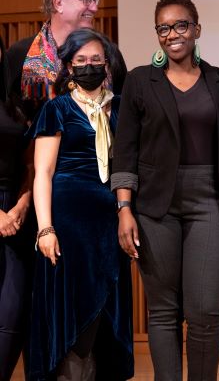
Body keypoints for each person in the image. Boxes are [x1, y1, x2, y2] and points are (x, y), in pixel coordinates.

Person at [111, 0, 219, 381]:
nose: (172, 34)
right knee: (163, 310)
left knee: (205, 310)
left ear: (197, 29)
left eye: (181, 25)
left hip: (210, 200)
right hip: (153, 206)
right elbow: (125, 150)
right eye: (163, 28)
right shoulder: (139, 80)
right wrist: (125, 209)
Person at [28, 28, 133, 380]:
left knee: (106, 317)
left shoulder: (121, 107)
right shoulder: (56, 109)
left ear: (108, 64)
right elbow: (43, 172)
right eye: (81, 61)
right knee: (75, 318)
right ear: (69, 66)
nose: (89, 66)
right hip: (69, 227)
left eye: (96, 60)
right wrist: (46, 228)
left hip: (111, 224)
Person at [6, 0, 126, 121]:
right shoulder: (19, 54)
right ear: (58, 3)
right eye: (87, 0)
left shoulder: (108, 51)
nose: (95, 8)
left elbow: (124, 110)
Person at [0, 35, 32, 380]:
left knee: (13, 312)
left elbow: (29, 162)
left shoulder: (15, 103)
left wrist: (23, 203)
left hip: (14, 210)